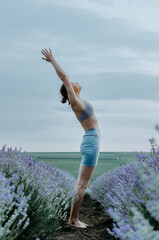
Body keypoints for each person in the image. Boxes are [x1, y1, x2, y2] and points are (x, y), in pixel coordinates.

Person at [41, 48, 101, 229]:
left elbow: (68, 79)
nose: (75, 81)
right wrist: (52, 60)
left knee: (82, 183)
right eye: (72, 82)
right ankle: (73, 220)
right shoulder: (75, 101)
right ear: (70, 91)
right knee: (82, 184)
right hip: (91, 141)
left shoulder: (79, 100)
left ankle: (73, 219)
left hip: (91, 140)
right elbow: (65, 76)